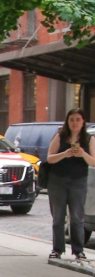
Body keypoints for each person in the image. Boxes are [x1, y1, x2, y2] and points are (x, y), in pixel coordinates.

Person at [47, 107, 95, 260]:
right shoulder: (60, 136)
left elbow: (93, 162)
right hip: (58, 181)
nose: (74, 123)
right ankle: (57, 249)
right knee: (58, 217)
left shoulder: (89, 139)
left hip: (78, 182)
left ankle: (78, 250)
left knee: (77, 217)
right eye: (72, 119)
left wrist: (83, 154)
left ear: (83, 122)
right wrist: (65, 154)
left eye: (78, 120)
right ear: (67, 122)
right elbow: (50, 158)